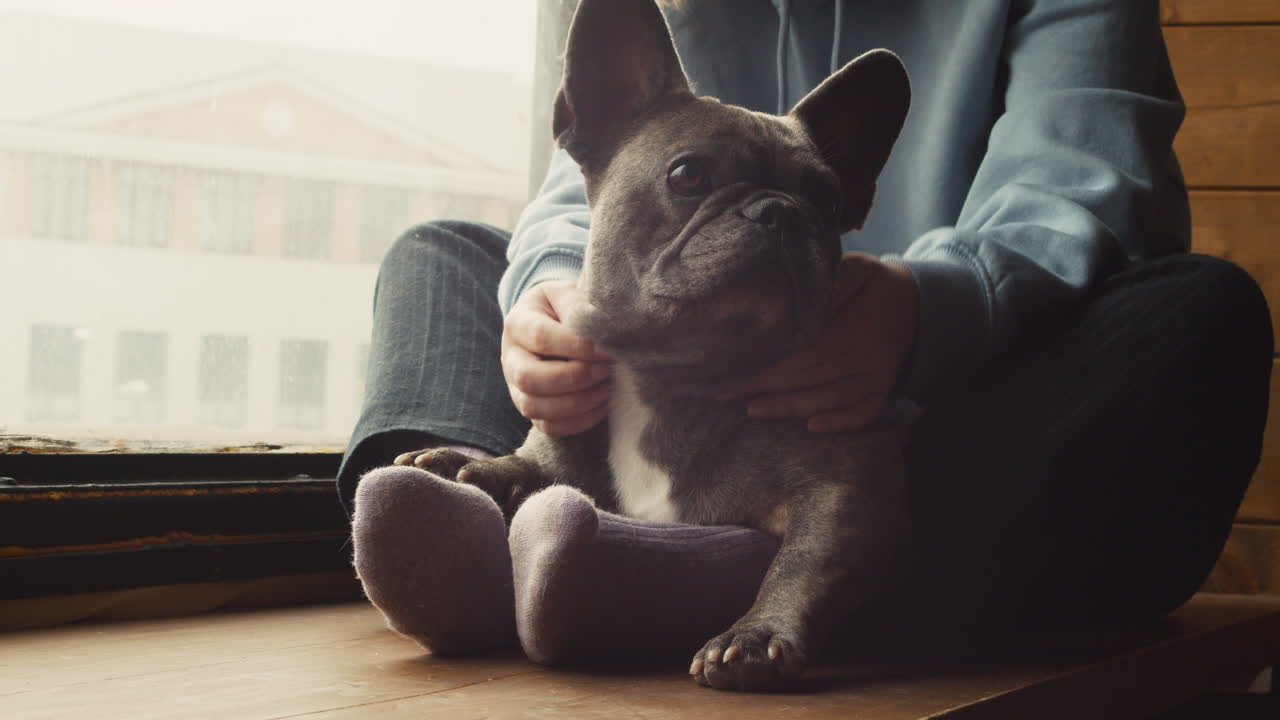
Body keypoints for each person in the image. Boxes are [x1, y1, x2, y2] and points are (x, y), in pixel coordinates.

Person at [337, 0, 1273, 663]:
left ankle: (691, 578)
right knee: (439, 254)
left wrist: (931, 302)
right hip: (623, 382)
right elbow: (591, 180)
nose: (771, 218)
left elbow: (1085, 175)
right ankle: (464, 530)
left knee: (1201, 314)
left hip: (906, 406)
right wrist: (543, 300)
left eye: (815, 201)